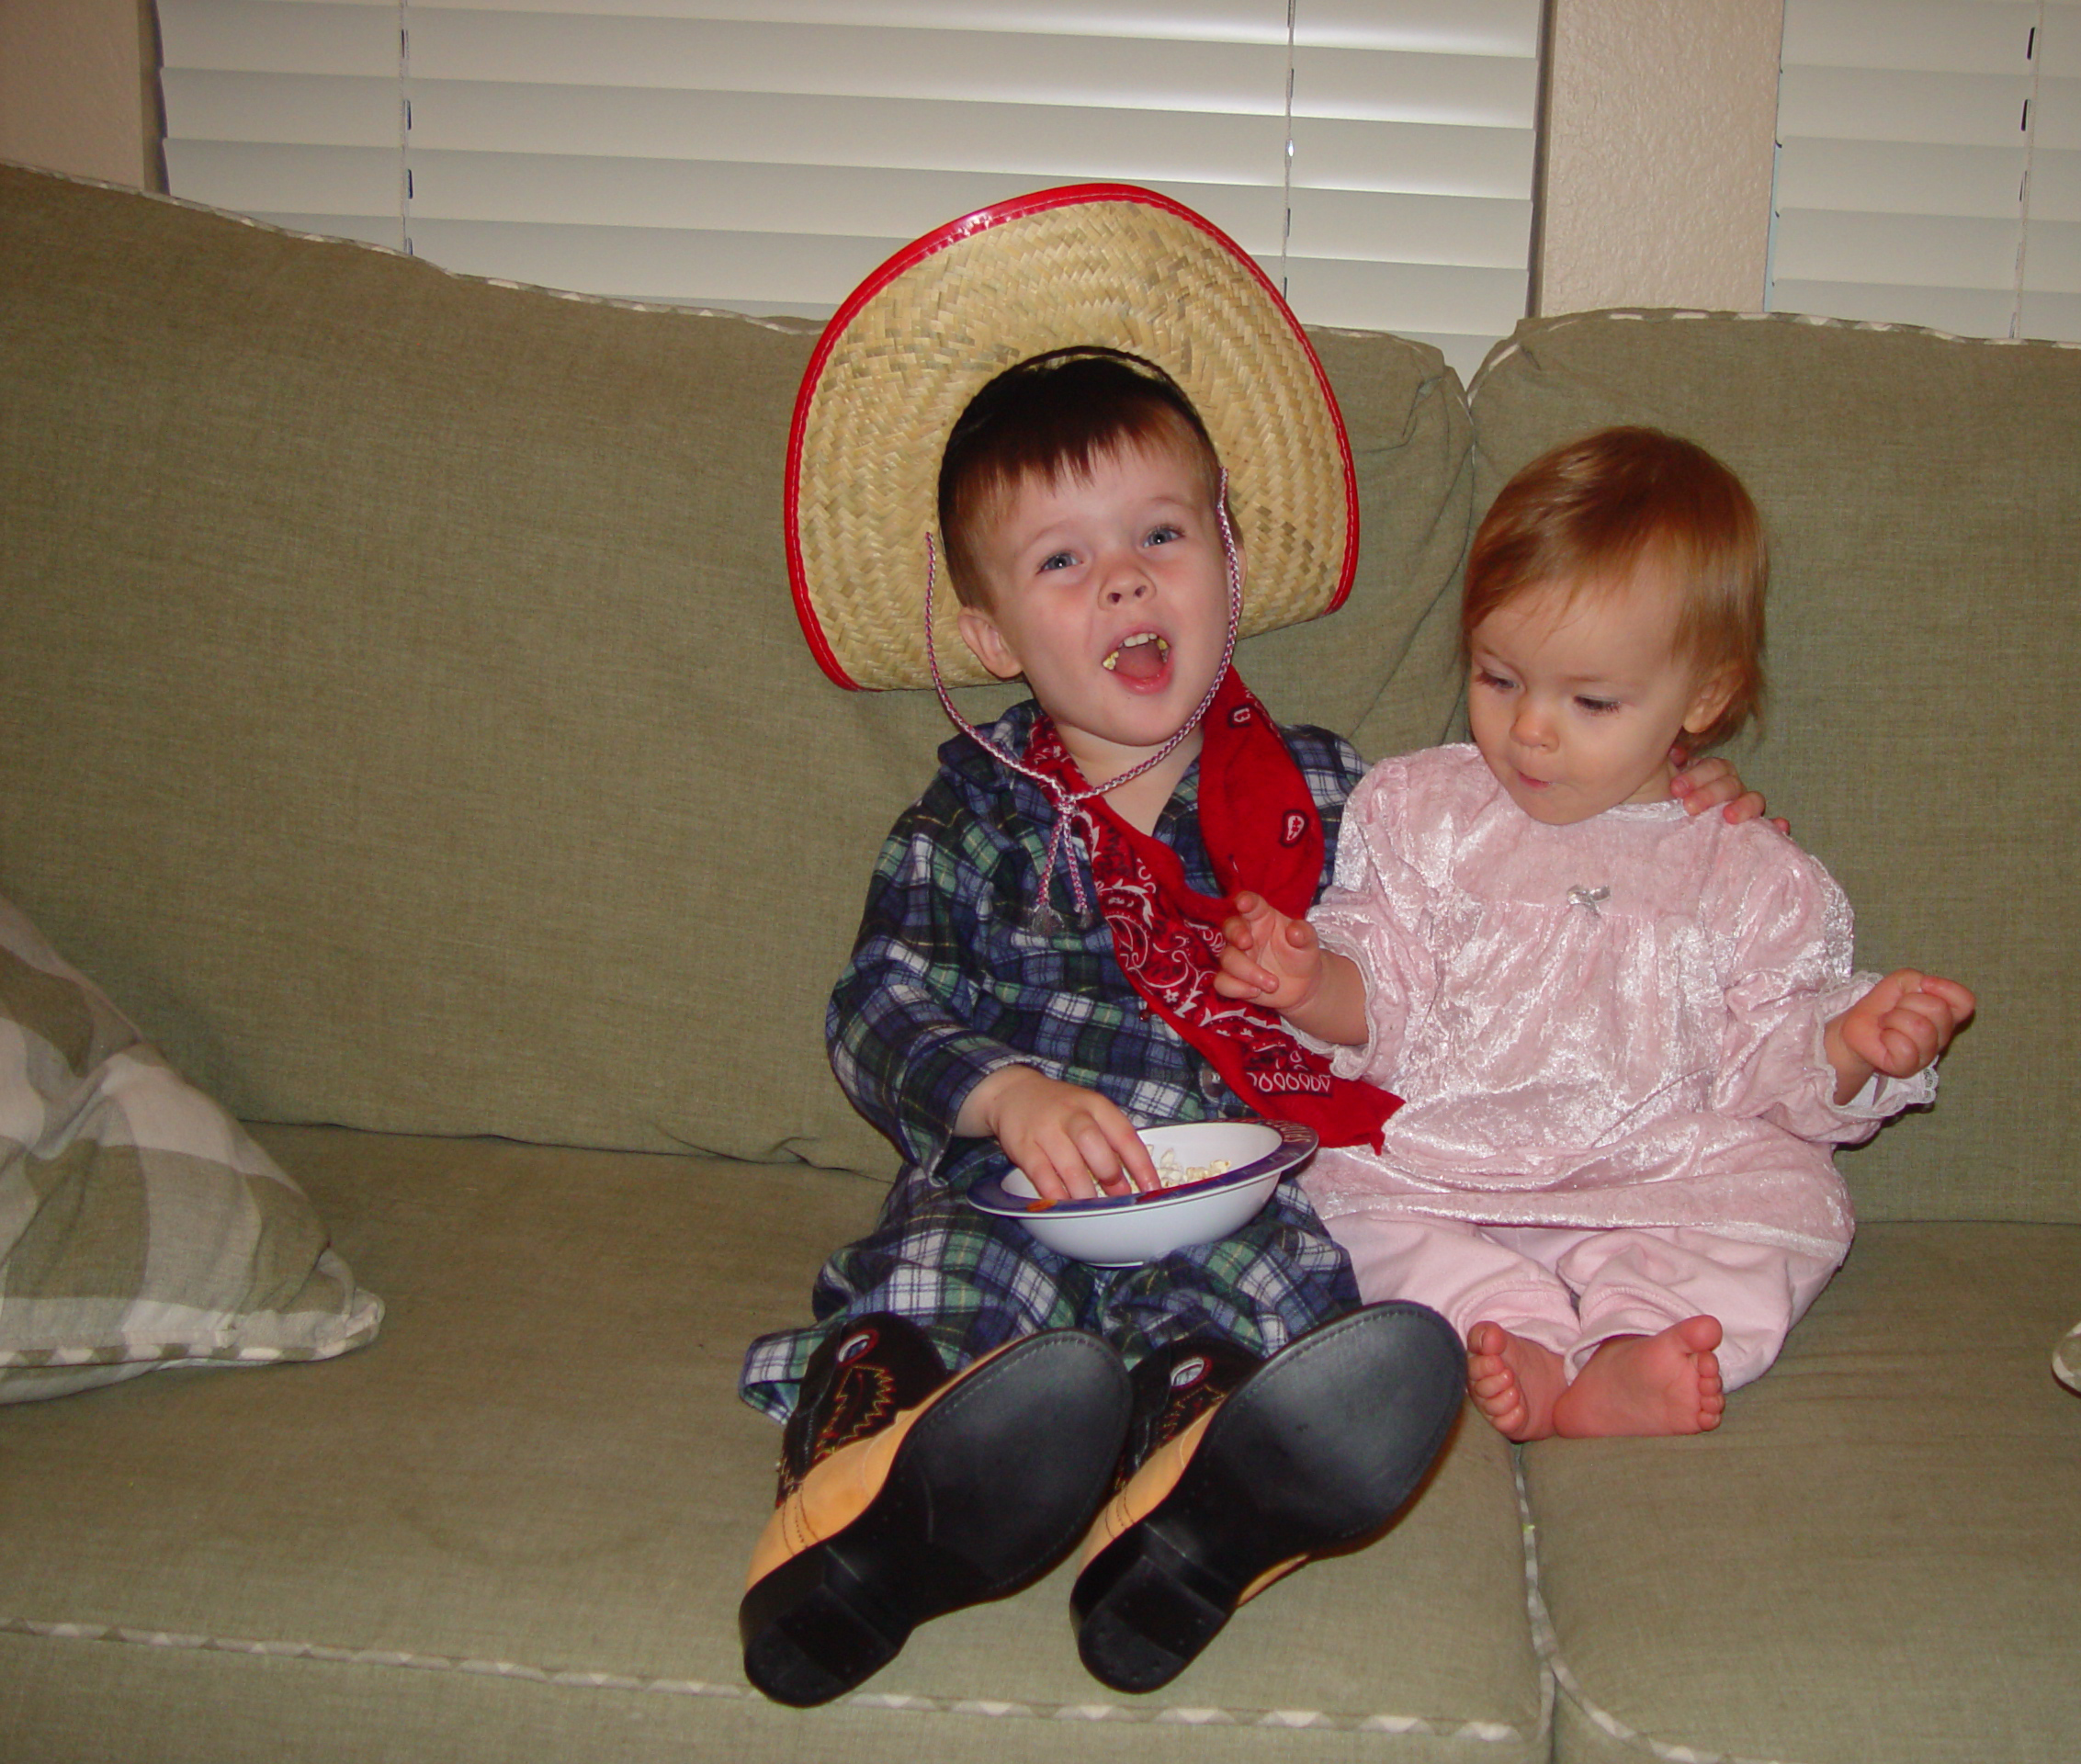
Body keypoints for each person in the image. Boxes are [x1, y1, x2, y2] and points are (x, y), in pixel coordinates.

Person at [735, 191, 1766, 1706]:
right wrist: (1006, 1096)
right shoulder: (971, 820)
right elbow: (876, 1004)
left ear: (1227, 550)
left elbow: (1508, 864)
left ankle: (1190, 1524)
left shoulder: (1354, 799)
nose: (1129, 583)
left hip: (1237, 1198)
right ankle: (864, 1528)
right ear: (987, 630)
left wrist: (1658, 809)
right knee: (939, 1291)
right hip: (1016, 1198)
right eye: (1065, 564)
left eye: (1161, 535)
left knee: (1296, 1298)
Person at [1216, 426, 1974, 1444]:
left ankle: (1631, 1351)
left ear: (1701, 698)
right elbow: (1382, 983)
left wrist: (1846, 1045)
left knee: (1794, 1208)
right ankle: (1508, 1331)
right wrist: (1313, 983)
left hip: (1661, 1177)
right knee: (1337, 1202)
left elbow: (1762, 1061)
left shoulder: (1745, 869)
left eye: (1590, 701)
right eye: (1498, 678)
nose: (1531, 730)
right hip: (1447, 1160)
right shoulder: (1423, 811)